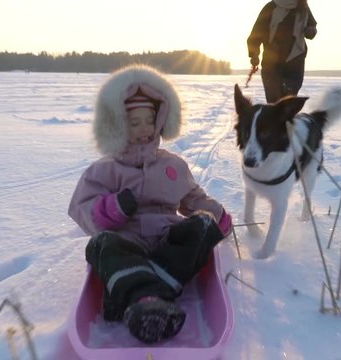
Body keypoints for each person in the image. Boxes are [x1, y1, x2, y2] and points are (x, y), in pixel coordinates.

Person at [68, 64, 232, 344]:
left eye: (149, 120)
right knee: (102, 244)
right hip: (127, 241)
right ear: (118, 125)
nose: (144, 129)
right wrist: (109, 209)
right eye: (134, 122)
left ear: (160, 120)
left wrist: (216, 216)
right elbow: (81, 206)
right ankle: (148, 299)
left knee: (201, 225)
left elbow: (193, 199)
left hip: (167, 241)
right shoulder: (105, 170)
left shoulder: (172, 165)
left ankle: (137, 287)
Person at [247, 0, 317, 103]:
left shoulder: (303, 8)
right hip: (272, 64)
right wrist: (254, 55)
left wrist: (310, 31)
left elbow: (312, 26)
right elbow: (256, 34)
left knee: (288, 106)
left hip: (295, 63)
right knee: (274, 103)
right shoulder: (271, 7)